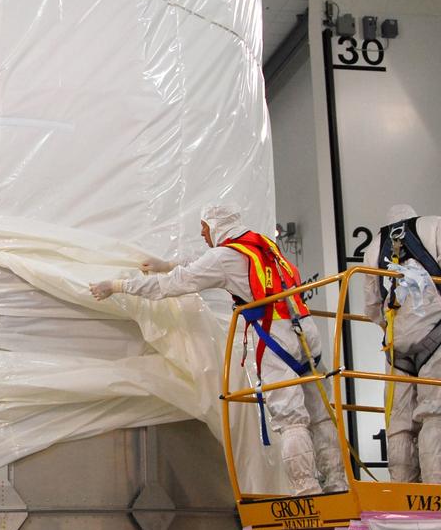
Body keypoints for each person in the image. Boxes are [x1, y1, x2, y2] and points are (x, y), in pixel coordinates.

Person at [89, 203, 347, 498]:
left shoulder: (225, 256)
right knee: (321, 413)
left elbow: (177, 284)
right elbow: (206, 263)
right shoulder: (263, 245)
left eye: (204, 226)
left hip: (274, 337)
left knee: (291, 419)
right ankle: (337, 482)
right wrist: (168, 264)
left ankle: (307, 490)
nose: (202, 233)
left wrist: (118, 285)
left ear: (216, 226)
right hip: (304, 331)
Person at [363, 204, 441, 485]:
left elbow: (372, 307)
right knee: (435, 412)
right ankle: (438, 493)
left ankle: (401, 495)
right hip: (435, 331)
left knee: (400, 423)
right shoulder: (435, 225)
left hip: (396, 343)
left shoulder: (375, 245)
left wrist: (391, 327)